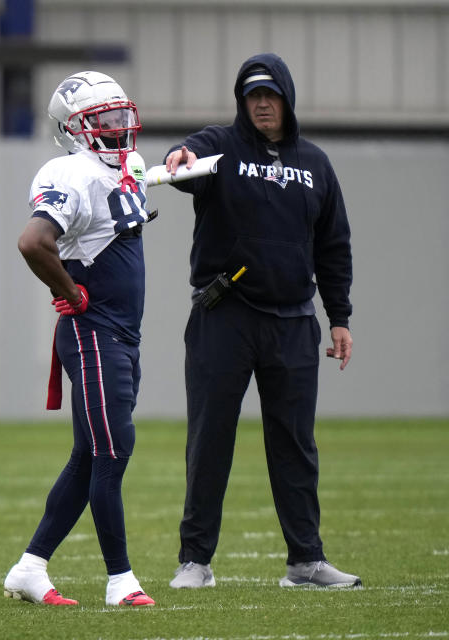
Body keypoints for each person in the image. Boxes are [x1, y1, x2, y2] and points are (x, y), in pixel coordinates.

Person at [163, 53, 361, 589]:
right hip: (224, 316)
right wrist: (179, 155)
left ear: (287, 98)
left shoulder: (316, 164)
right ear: (242, 102)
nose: (263, 103)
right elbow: (186, 159)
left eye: (271, 94)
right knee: (210, 439)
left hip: (294, 323)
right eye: (253, 95)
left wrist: (338, 317)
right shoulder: (221, 147)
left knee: (295, 443)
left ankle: (305, 562)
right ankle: (195, 562)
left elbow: (334, 246)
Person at [3, 71, 156, 608]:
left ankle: (29, 567)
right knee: (114, 449)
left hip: (120, 335)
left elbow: (125, 192)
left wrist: (173, 169)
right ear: (74, 130)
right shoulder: (70, 170)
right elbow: (33, 241)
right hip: (95, 333)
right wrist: (71, 291)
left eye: (119, 115)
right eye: (103, 120)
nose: (117, 126)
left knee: (90, 455)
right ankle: (121, 581)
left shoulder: (116, 168)